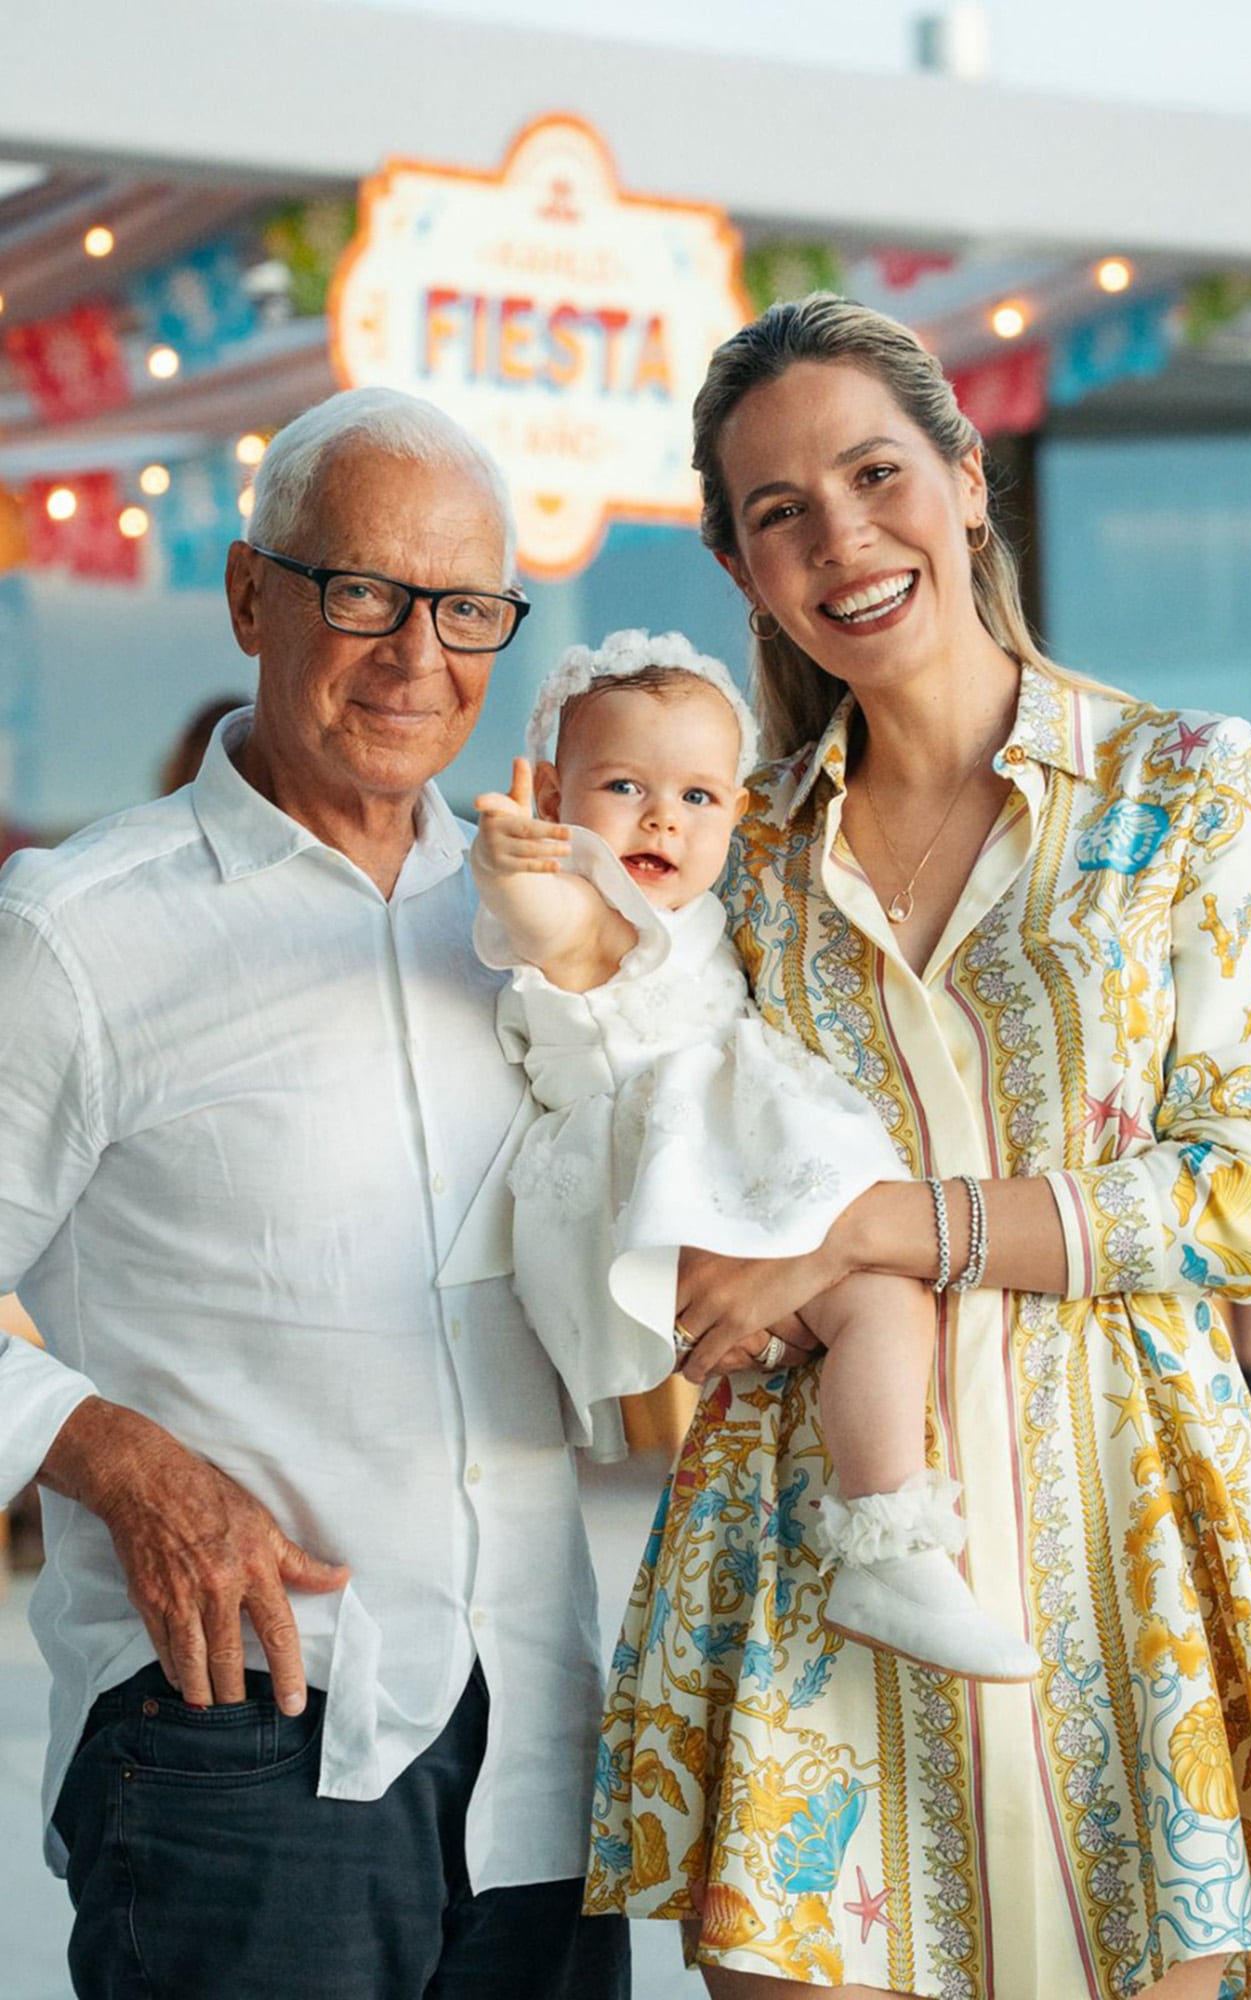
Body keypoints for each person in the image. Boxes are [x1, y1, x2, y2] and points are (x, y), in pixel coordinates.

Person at [586, 296, 1251, 2000]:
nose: (841, 538)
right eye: (778, 512)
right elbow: (653, 1134)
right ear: (740, 567)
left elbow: (1242, 1194)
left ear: (964, 478)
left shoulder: (1184, 787)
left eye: (873, 474)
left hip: (1122, 1549)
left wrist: (871, 1230)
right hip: (815, 1562)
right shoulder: (741, 859)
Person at [0, 385, 628, 1999]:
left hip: (544, 1759)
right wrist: (115, 1458)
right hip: (242, 1740)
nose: (417, 653)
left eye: (467, 608)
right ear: (247, 596)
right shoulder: (81, 933)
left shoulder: (538, 918)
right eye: (362, 593)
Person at [470, 627, 1037, 1683]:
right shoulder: (599, 911)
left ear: (735, 813)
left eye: (695, 796)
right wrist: (512, 867)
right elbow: (548, 924)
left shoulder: (702, 915)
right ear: (554, 795)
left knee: (879, 1300)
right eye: (622, 784)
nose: (657, 816)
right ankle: (887, 1536)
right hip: (648, 1194)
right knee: (880, 1294)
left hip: (701, 1182)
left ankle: (888, 1538)